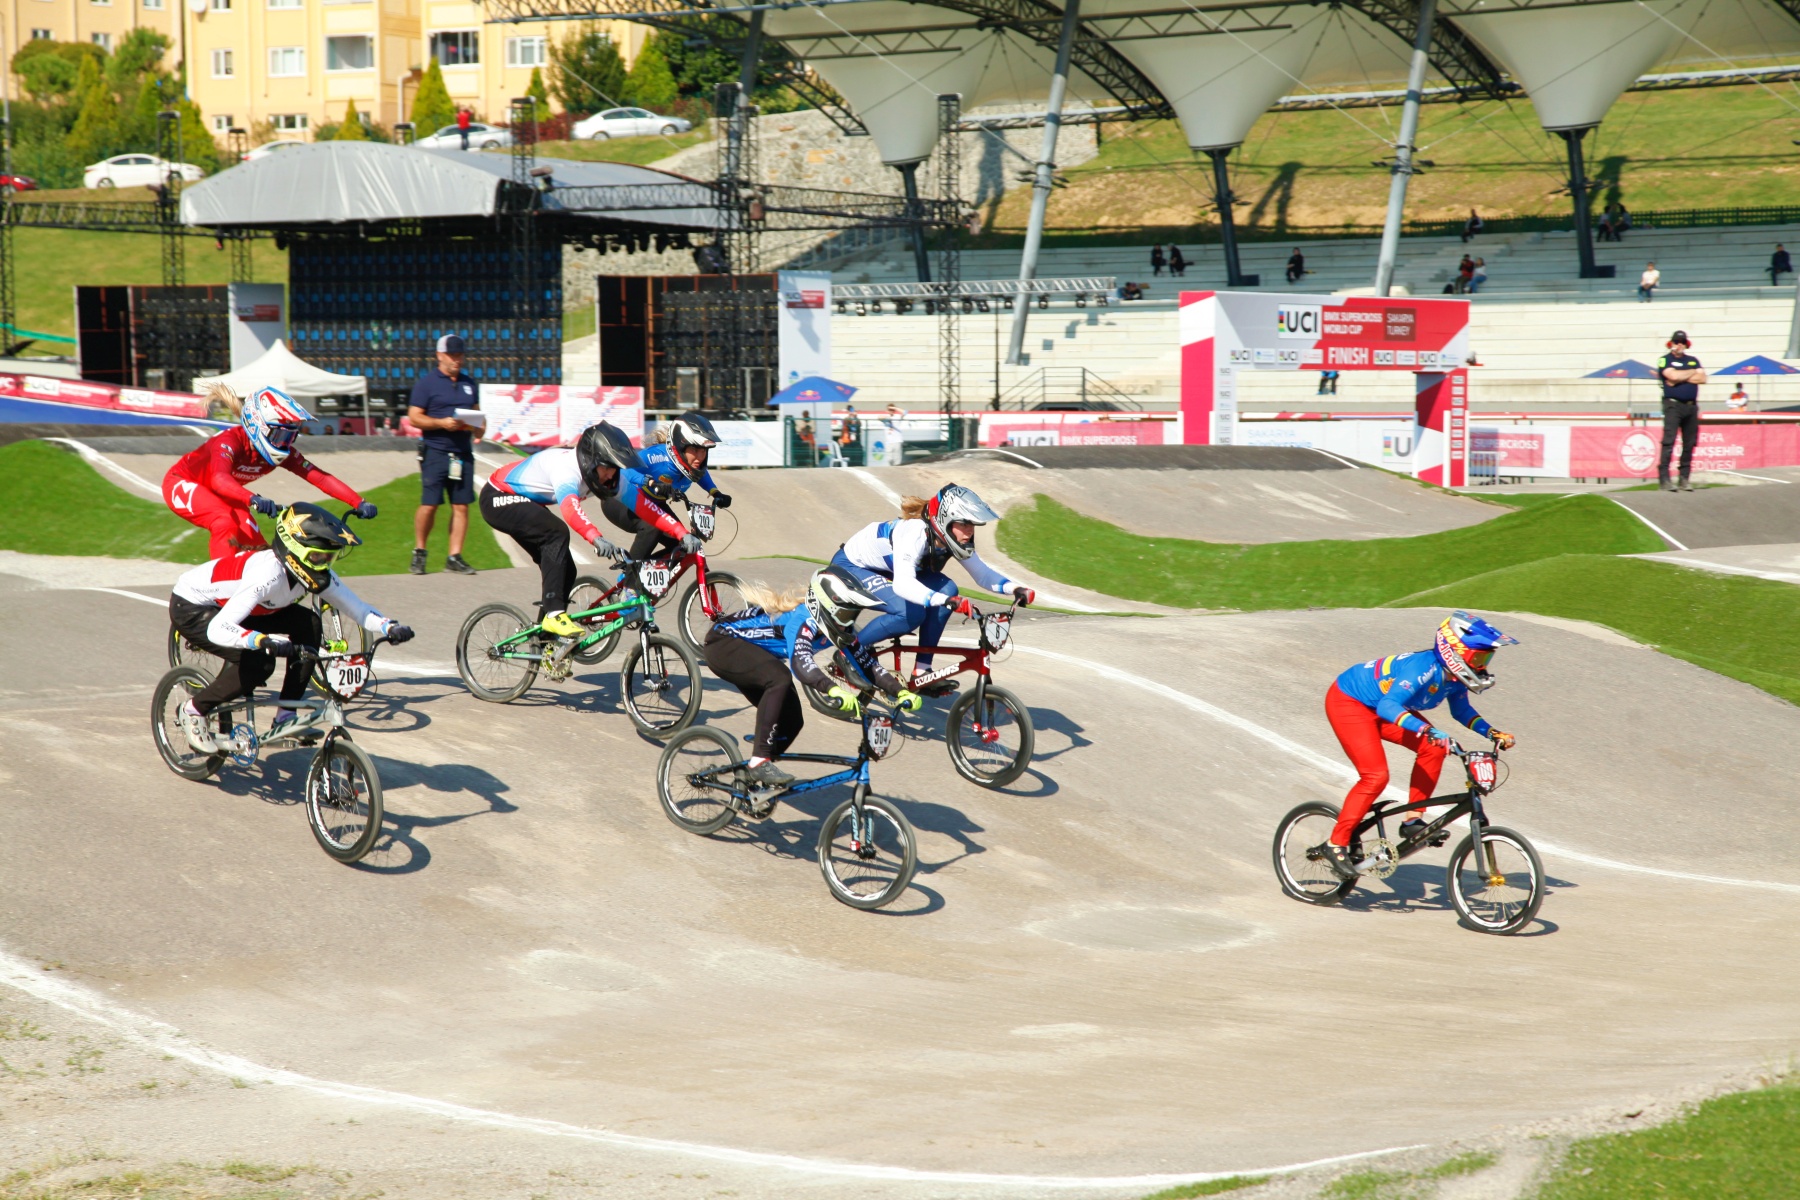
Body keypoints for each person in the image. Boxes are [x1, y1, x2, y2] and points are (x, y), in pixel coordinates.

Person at [168, 503, 414, 751]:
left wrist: (389, 627)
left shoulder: (311, 571)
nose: (325, 564)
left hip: (247, 609)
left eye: (330, 557)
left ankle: (285, 715)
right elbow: (219, 628)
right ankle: (194, 710)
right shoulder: (268, 575)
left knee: (309, 624)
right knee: (259, 664)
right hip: (195, 607)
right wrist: (260, 640)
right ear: (295, 550)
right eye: (319, 556)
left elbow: (358, 609)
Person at [1316, 611, 1518, 881]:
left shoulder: (1453, 677)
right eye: (1478, 657)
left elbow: (1461, 711)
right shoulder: (1423, 670)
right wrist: (1425, 729)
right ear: (1454, 652)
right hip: (1350, 704)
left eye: (1485, 658)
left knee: (1434, 746)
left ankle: (1412, 821)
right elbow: (1389, 706)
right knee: (1375, 776)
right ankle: (1335, 844)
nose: (1482, 665)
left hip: (1382, 708)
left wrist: (1492, 733)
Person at [705, 569, 924, 789]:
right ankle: (759, 761)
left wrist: (899, 691)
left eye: (852, 615)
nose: (848, 622)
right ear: (828, 607)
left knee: (792, 721)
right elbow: (801, 664)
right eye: (846, 614)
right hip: (723, 645)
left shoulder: (838, 628)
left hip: (753, 654)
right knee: (779, 678)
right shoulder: (804, 620)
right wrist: (832, 689)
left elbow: (867, 665)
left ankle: (749, 776)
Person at [829, 484, 1036, 696]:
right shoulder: (915, 533)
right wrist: (943, 601)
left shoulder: (951, 538)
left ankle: (921, 671)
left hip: (888, 570)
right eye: (964, 523)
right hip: (851, 567)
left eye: (973, 524)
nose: (970, 530)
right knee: (910, 613)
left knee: (948, 589)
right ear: (944, 521)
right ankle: (849, 654)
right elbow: (903, 584)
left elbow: (982, 574)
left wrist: (1015, 588)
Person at [163, 385, 375, 558]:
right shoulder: (229, 441)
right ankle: (220, 590)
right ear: (258, 427)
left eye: (290, 437)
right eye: (280, 436)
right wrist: (252, 498)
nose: (285, 444)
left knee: (261, 552)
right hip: (182, 482)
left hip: (224, 492)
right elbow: (219, 479)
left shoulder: (283, 453)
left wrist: (358, 502)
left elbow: (319, 477)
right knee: (224, 522)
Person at [480, 422, 641, 638]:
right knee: (556, 532)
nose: (611, 474)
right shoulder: (567, 469)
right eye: (608, 467)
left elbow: (639, 493)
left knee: (566, 569)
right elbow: (570, 509)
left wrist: (679, 531)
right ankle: (554, 615)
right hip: (498, 495)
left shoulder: (601, 474)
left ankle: (545, 643)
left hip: (525, 501)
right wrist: (595, 537)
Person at [605, 411, 732, 564]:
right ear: (681, 447)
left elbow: (702, 474)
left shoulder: (691, 465)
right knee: (652, 527)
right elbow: (623, 471)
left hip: (654, 504)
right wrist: (650, 482)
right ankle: (629, 581)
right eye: (695, 450)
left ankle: (644, 575)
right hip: (620, 500)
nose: (700, 457)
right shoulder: (657, 456)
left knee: (684, 547)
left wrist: (715, 492)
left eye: (703, 451)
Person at [407, 334, 479, 576]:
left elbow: (479, 419)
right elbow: (415, 416)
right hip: (436, 450)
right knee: (430, 505)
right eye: (452, 355)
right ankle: (419, 552)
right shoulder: (426, 384)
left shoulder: (470, 383)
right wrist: (441, 423)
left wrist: (476, 426)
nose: (457, 360)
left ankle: (454, 555)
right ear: (439, 355)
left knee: (461, 506)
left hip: (462, 452)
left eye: (460, 355)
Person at [1657, 330, 1706, 492]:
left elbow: (1702, 378)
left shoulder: (1693, 361)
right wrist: (1690, 374)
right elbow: (1671, 375)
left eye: (1682, 342)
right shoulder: (1665, 360)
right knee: (1669, 441)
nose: (1680, 345)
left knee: (1689, 443)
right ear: (1671, 343)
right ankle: (1664, 478)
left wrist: (1681, 376)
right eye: (1677, 341)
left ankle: (1684, 478)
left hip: (1691, 406)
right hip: (1673, 405)